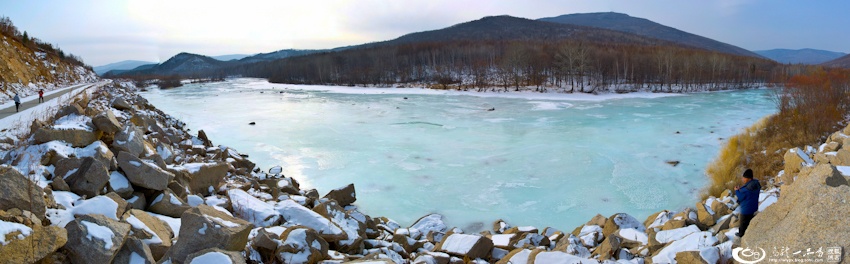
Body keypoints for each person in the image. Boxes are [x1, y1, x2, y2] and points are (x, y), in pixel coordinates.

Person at [735, 168, 761, 237]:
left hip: (746, 209)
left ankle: (741, 235)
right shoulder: (755, 184)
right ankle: (750, 233)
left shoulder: (747, 189)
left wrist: (737, 191)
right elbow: (749, 195)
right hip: (753, 207)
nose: (743, 179)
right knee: (749, 221)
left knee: (743, 223)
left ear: (749, 178)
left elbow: (741, 197)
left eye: (744, 178)